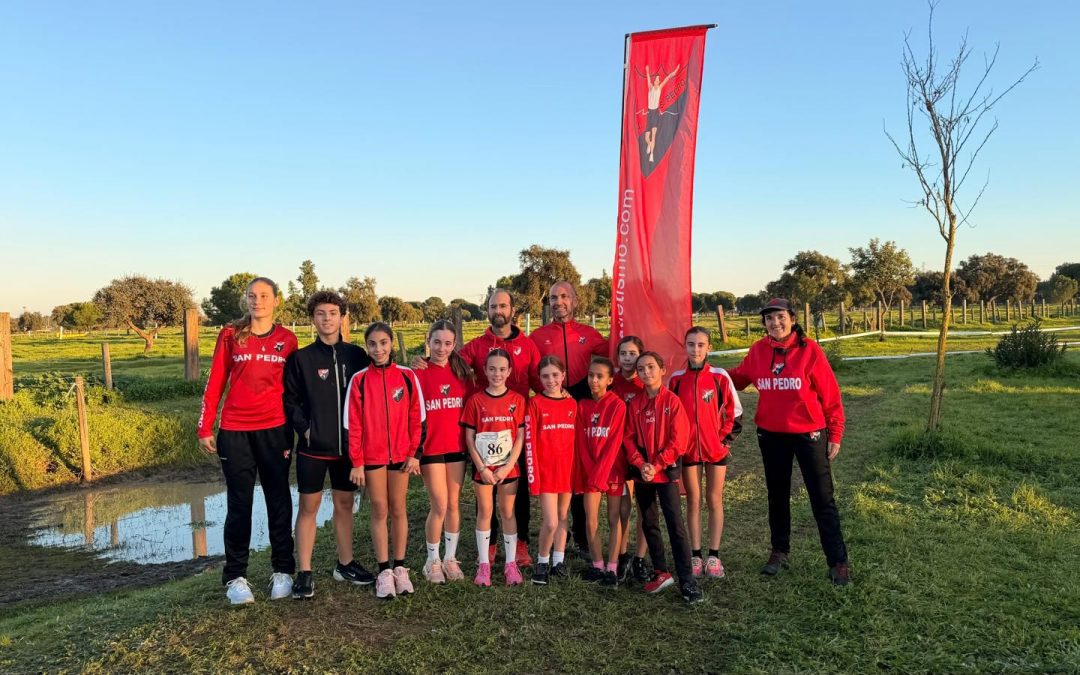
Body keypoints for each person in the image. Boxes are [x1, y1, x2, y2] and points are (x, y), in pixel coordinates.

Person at [412, 288, 539, 567]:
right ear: (488, 310)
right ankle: (490, 544)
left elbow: (539, 382)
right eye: (493, 306)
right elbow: (448, 364)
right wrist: (420, 362)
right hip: (482, 428)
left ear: (512, 310)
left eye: (503, 306)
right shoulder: (476, 345)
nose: (498, 311)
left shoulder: (527, 345)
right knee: (486, 490)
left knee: (517, 493)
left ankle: (520, 544)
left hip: (514, 426)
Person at [727, 298, 851, 585]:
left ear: (793, 319)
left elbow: (830, 396)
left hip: (809, 434)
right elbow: (738, 378)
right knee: (777, 494)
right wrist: (709, 373)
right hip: (771, 435)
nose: (775, 323)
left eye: (780, 317)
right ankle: (779, 551)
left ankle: (838, 561)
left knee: (822, 499)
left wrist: (836, 432)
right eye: (769, 319)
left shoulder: (810, 351)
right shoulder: (758, 351)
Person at [198, 276, 298, 605]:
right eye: (252, 296)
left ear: (276, 301)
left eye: (265, 295)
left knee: (279, 500)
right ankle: (236, 576)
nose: (258, 301)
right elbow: (216, 380)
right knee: (239, 505)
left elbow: (295, 388)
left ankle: (283, 570)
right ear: (247, 300)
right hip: (235, 431)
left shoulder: (288, 339)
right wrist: (205, 426)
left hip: (275, 430)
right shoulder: (230, 335)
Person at [283, 291, 374, 600]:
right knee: (309, 507)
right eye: (320, 313)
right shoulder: (302, 358)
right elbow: (291, 400)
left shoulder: (357, 355)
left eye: (333, 313)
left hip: (348, 450)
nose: (327, 319)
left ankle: (345, 564)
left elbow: (375, 388)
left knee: (345, 505)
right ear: (313, 318)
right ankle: (304, 572)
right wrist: (305, 429)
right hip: (313, 449)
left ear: (341, 317)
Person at [344, 322, 425, 600]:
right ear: (366, 347)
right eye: (372, 344)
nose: (378, 349)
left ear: (391, 344)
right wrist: (357, 461)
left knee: (398, 508)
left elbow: (418, 418)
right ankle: (383, 572)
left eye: (383, 343)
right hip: (373, 457)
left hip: (402, 456)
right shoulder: (359, 380)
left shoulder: (407, 377)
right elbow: (352, 424)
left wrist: (415, 453)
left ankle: (400, 568)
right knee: (379, 509)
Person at [530, 281, 608, 558]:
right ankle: (551, 534)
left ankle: (582, 535)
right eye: (553, 297)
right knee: (556, 464)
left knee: (579, 466)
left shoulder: (589, 334)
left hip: (581, 401)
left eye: (564, 296)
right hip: (551, 401)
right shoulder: (538, 336)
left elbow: (618, 354)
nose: (558, 301)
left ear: (575, 301)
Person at [623, 351, 703, 604]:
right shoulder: (634, 403)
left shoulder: (672, 401)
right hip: (643, 473)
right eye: (641, 368)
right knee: (649, 522)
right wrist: (640, 463)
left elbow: (679, 441)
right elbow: (628, 437)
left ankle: (687, 580)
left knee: (675, 526)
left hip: (665, 472)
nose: (646, 372)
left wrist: (656, 465)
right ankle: (661, 571)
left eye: (651, 367)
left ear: (662, 369)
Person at [669, 326, 743, 580]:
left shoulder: (720, 377)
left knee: (714, 499)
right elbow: (673, 417)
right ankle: (696, 555)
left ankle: (714, 555)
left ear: (709, 347)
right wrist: (680, 443)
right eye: (691, 344)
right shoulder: (677, 379)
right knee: (693, 500)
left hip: (716, 451)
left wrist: (721, 441)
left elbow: (736, 414)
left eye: (701, 345)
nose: (696, 349)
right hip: (688, 451)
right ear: (685, 346)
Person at [461, 349, 527, 587]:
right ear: (485, 371)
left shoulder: (518, 400)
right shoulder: (476, 401)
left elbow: (520, 437)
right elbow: (469, 437)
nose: (497, 374)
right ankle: (484, 565)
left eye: (502, 369)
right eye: (492, 369)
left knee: (508, 513)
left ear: (509, 371)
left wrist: (508, 467)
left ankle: (510, 565)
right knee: (485, 513)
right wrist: (482, 467)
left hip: (508, 470)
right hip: (484, 470)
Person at [414, 320, 473, 583]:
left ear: (454, 344)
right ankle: (432, 560)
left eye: (447, 343)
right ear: (428, 340)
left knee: (453, 504)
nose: (441, 348)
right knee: (439, 504)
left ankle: (450, 558)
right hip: (431, 448)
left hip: (457, 447)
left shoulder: (462, 372)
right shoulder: (418, 372)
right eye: (436, 342)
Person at [574, 357, 628, 588]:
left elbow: (614, 444)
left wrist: (601, 473)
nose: (594, 380)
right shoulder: (583, 406)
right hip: (590, 474)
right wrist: (591, 473)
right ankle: (597, 565)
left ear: (610, 379)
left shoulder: (617, 405)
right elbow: (581, 443)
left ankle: (613, 568)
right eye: (591, 375)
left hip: (613, 472)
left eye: (599, 376)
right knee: (591, 520)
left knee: (614, 519)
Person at [524, 355, 577, 585]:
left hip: (567, 471)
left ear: (563, 376)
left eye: (555, 375)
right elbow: (530, 442)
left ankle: (558, 560)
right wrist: (533, 476)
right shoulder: (535, 404)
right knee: (551, 521)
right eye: (545, 376)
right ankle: (542, 560)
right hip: (546, 473)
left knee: (564, 517)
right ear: (539, 378)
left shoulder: (571, 403)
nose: (551, 380)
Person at [611, 335, 650, 583]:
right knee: (623, 508)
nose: (628, 358)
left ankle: (640, 557)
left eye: (632, 353)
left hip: (642, 452)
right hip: (618, 454)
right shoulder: (610, 381)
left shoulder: (646, 381)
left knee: (645, 508)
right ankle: (622, 554)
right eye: (623, 353)